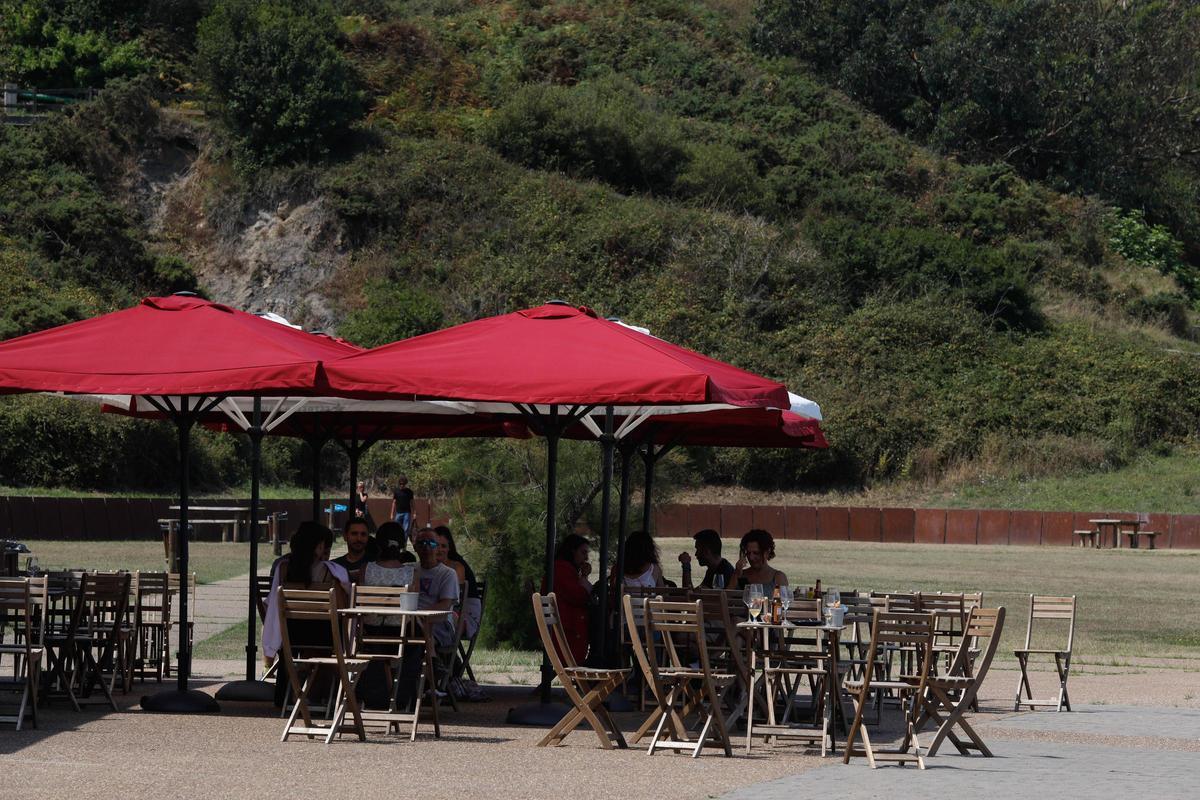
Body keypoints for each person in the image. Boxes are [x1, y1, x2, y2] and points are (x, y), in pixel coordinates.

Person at [262, 521, 352, 706]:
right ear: (319, 546)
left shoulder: (283, 568)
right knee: (331, 641)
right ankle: (318, 694)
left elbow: (272, 605)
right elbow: (343, 607)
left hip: (291, 635)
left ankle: (300, 682)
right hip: (325, 637)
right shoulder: (332, 572)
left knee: (309, 644)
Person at [394, 527, 459, 709]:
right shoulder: (408, 569)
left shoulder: (447, 574)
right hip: (410, 622)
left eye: (431, 543)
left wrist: (420, 616)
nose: (426, 547)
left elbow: (445, 606)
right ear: (414, 547)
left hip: (439, 624)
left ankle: (427, 681)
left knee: (421, 629)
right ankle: (431, 674)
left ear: (438, 547)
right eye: (421, 543)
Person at [551, 533, 592, 665]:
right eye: (583, 552)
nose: (586, 558)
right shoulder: (561, 569)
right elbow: (578, 596)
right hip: (568, 628)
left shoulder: (565, 569)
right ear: (572, 551)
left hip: (567, 623)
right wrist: (584, 578)